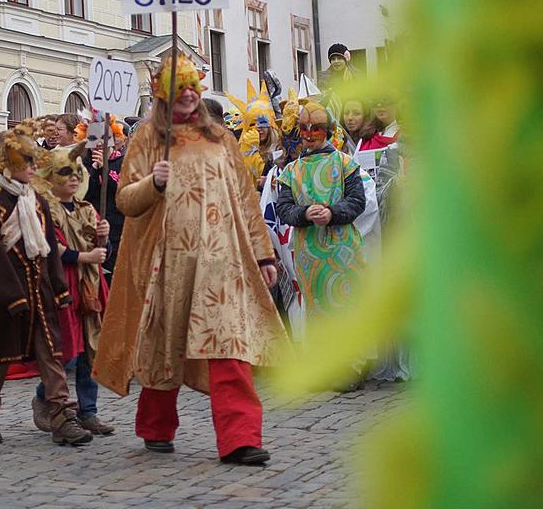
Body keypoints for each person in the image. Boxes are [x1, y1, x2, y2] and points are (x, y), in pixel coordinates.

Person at [93, 53, 287, 466]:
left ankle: (240, 438)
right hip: (169, 265)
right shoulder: (148, 139)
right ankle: (156, 427)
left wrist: (263, 255)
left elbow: (245, 202)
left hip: (222, 266)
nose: (186, 95)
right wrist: (153, 183)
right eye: (176, 88)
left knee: (229, 348)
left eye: (191, 87)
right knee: (165, 346)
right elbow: (126, 200)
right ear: (163, 96)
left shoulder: (222, 140)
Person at [0, 120, 93, 446]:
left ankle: (62, 416)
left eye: (35, 162)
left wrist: (59, 286)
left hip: (40, 290)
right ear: (9, 165)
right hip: (4, 294)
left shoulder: (37, 201)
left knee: (51, 355)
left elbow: (47, 248)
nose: (34, 168)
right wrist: (12, 295)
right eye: (27, 162)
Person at [275, 99, 366, 392]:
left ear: (327, 130)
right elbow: (284, 209)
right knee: (315, 309)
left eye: (316, 128)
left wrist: (332, 212)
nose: (309, 134)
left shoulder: (345, 163)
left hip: (341, 249)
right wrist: (304, 214)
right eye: (304, 128)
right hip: (309, 252)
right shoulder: (290, 171)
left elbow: (357, 201)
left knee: (344, 306)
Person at [32, 142, 115, 436]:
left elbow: (101, 249)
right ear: (51, 177)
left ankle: (88, 410)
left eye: (77, 172)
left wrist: (103, 239)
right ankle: (47, 397)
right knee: (67, 349)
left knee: (90, 350)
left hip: (90, 285)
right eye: (65, 172)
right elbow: (52, 247)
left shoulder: (87, 209)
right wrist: (85, 256)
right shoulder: (45, 210)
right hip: (63, 283)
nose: (73, 178)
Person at [77, 116, 127, 280]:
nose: (99, 144)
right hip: (91, 227)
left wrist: (105, 170)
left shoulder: (123, 162)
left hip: (118, 227)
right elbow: (82, 194)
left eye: (104, 139)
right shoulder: (82, 164)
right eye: (93, 138)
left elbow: (123, 192)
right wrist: (94, 170)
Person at [318, 43, 360, 117]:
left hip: (353, 114)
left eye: (339, 58)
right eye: (333, 59)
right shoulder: (324, 79)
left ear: (346, 59)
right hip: (332, 116)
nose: (336, 61)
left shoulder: (357, 76)